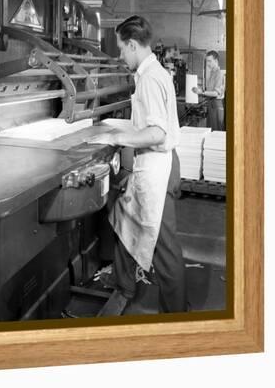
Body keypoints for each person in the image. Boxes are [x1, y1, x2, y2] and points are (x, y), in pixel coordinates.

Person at [88, 15, 187, 313]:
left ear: (132, 45)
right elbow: (149, 124)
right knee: (124, 222)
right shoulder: (150, 74)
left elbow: (157, 133)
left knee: (163, 246)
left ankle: (177, 314)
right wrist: (124, 131)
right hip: (154, 165)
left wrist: (119, 137)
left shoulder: (150, 78)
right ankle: (124, 285)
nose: (120, 55)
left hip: (159, 169)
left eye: (121, 49)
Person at [192, 50, 225, 131]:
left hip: (216, 105)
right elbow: (210, 91)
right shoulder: (212, 73)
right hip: (211, 104)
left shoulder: (219, 74)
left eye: (210, 61)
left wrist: (202, 92)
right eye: (207, 61)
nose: (208, 64)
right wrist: (200, 91)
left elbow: (216, 93)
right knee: (210, 130)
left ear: (216, 61)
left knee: (216, 132)